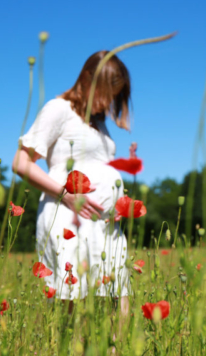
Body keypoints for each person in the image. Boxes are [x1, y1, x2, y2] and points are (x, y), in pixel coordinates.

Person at [12, 50, 133, 315]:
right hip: (68, 217)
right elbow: (21, 162)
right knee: (74, 307)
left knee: (119, 298)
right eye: (105, 92)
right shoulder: (59, 109)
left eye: (114, 95)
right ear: (87, 79)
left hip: (104, 225)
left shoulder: (97, 124)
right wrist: (66, 194)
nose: (109, 101)